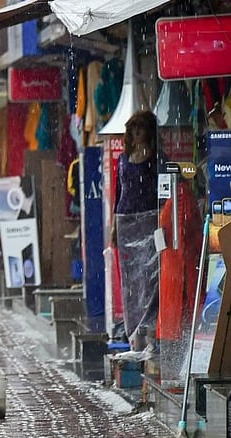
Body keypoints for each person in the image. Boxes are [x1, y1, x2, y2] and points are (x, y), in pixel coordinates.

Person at [109, 110, 160, 351]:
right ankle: (133, 333)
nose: (136, 132)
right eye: (133, 128)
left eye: (141, 127)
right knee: (130, 278)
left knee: (149, 275)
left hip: (149, 220)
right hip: (126, 219)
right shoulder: (123, 159)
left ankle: (147, 328)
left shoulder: (156, 160)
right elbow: (119, 192)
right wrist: (114, 228)